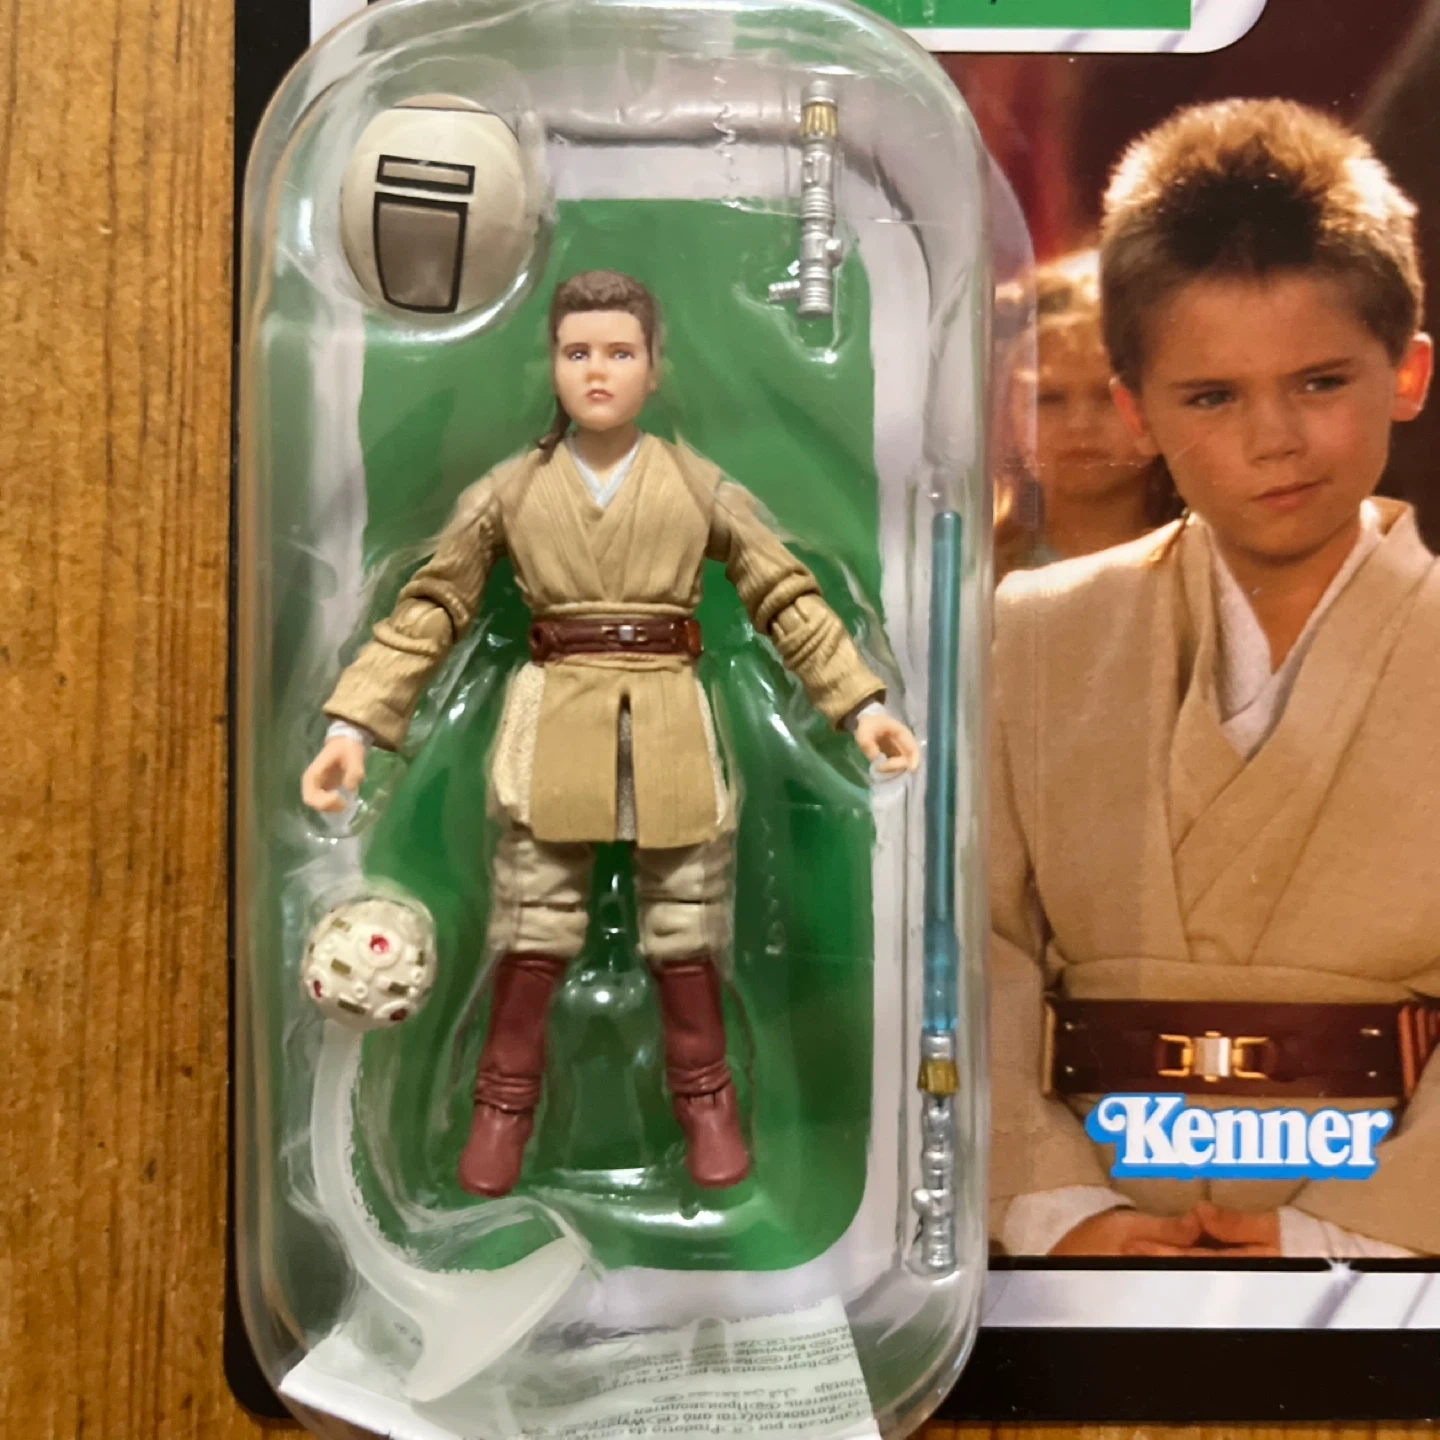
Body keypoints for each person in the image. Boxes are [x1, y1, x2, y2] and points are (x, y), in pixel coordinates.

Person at [302, 269, 919, 1199]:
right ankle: (501, 1109)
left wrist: (860, 706)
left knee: (687, 928)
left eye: (620, 353)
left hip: (669, 721)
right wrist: (355, 722)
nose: (598, 372)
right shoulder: (513, 490)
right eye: (577, 352)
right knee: (532, 923)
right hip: (554, 722)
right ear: (551, 364)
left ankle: (707, 1104)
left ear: (655, 368)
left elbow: (784, 594)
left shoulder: (696, 485)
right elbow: (432, 605)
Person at [990, 99, 1440, 1258]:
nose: (1273, 438)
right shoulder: (1034, 632)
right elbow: (971, 944)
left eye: (1321, 382)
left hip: (1397, 1270)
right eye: (1212, 397)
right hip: (1087, 1252)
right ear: (1136, 413)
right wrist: (1059, 1209)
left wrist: (1346, 1231)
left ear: (1408, 372)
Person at [996, 251, 1181, 578]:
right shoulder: (978, 569)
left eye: (1108, 396)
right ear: (1007, 414)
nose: (1079, 424)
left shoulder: (1210, 563)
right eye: (1048, 399)